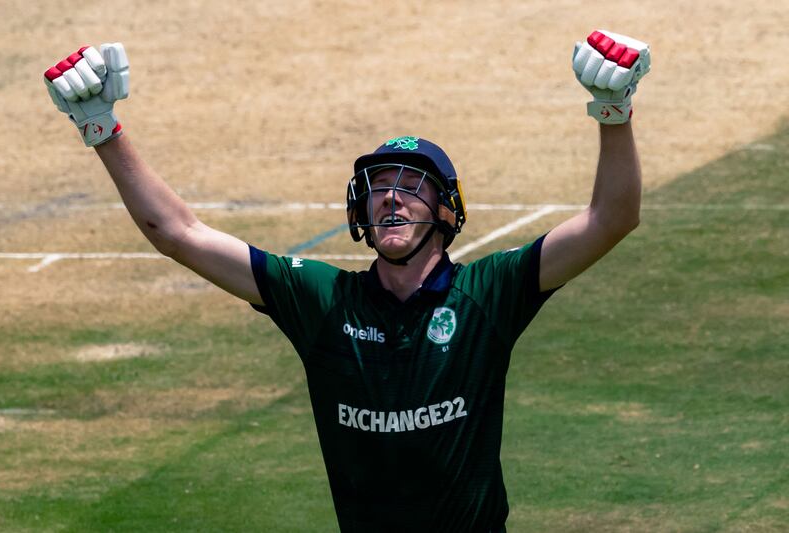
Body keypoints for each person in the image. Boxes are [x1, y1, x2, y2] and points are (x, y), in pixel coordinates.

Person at [43, 30, 651, 532]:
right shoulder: (321, 300)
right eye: (380, 187)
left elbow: (611, 219)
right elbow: (178, 234)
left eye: (412, 187)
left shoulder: (489, 293)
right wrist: (103, 130)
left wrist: (613, 114)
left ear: (447, 211)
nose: (391, 200)